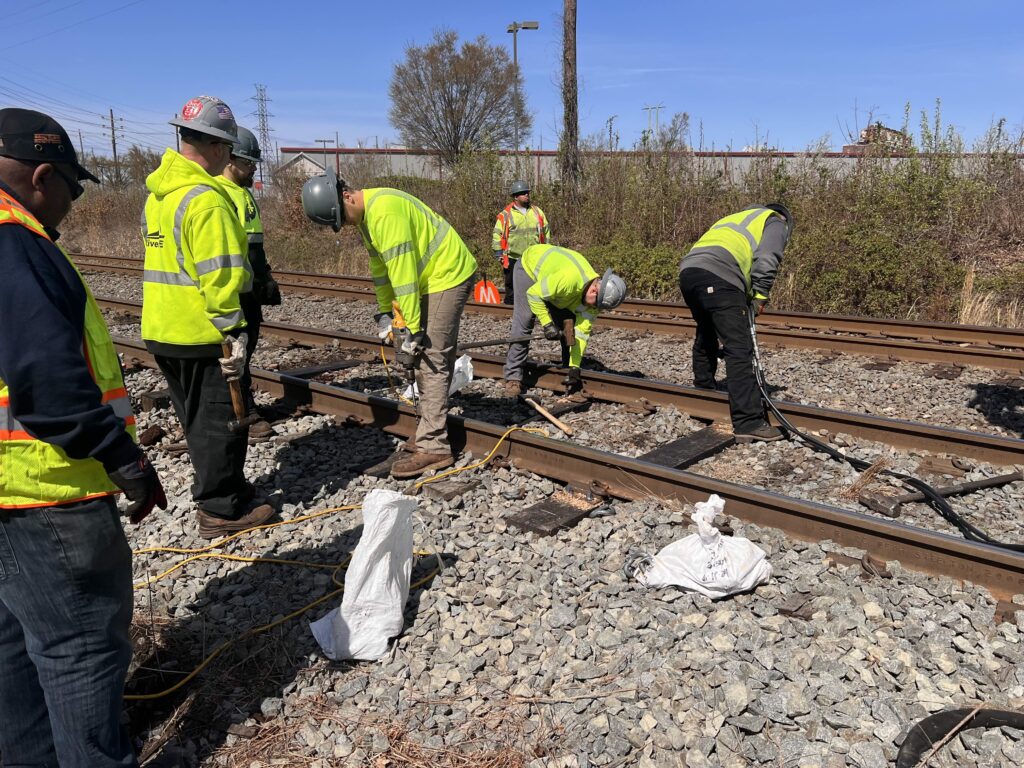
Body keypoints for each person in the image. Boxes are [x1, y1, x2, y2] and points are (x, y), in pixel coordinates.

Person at [0, 108, 166, 767]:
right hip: (46, 492)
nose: (74, 201)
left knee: (14, 649)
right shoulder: (15, 240)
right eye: (73, 185)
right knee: (79, 654)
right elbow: (47, 380)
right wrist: (123, 457)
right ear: (42, 177)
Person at [141, 96, 275, 537]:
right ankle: (220, 509)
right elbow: (218, 276)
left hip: (164, 329)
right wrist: (233, 331)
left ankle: (229, 489)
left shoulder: (159, 196)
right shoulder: (207, 201)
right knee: (224, 421)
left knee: (195, 417)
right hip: (203, 332)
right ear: (218, 147)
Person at [301, 170, 477, 478]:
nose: (346, 224)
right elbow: (381, 271)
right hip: (430, 277)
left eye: (342, 217)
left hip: (448, 273)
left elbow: (404, 276)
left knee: (430, 355)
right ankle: (429, 426)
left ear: (347, 195)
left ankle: (434, 447)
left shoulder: (384, 214)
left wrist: (412, 330)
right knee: (429, 353)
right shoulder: (367, 219)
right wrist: (385, 315)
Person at [679, 203, 793, 441]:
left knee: (706, 332)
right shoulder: (774, 221)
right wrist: (760, 296)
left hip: (689, 272)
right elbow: (767, 258)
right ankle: (748, 422)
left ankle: (704, 395)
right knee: (739, 347)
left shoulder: (735, 218)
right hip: (720, 274)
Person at [218, 126, 281, 434]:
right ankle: (241, 409)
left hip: (248, 283)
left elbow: (253, 242)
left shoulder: (243, 194)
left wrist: (264, 274)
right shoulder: (220, 194)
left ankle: (244, 403)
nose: (252, 167)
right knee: (235, 349)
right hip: (234, 286)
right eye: (247, 162)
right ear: (229, 159)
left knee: (248, 345)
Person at [502, 244, 626, 397]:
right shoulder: (568, 281)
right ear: (594, 290)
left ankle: (567, 369)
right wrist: (547, 324)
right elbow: (534, 294)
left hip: (556, 285)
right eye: (595, 304)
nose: (594, 308)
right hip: (529, 269)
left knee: (568, 324)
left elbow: (581, 334)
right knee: (524, 322)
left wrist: (575, 367)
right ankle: (513, 377)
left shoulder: (594, 302)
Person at [491, 179, 551, 305]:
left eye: (527, 192)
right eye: (523, 193)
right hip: (513, 255)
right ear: (516, 197)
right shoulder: (506, 215)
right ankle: (510, 304)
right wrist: (498, 253)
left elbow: (546, 231)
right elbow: (497, 234)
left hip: (534, 256)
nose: (527, 195)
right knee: (511, 282)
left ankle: (535, 303)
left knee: (535, 281)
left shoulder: (537, 212)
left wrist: (547, 249)